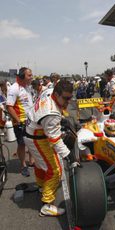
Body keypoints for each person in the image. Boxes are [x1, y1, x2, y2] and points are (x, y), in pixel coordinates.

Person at [24, 80, 73, 216]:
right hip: (36, 138)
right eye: (66, 98)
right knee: (55, 169)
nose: (68, 101)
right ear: (56, 94)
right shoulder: (51, 114)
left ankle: (41, 186)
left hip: (33, 130)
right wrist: (69, 155)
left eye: (70, 97)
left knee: (41, 164)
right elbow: (55, 139)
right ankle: (47, 204)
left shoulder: (49, 91)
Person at [6, 67, 34, 177]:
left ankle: (31, 161)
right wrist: (18, 121)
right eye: (29, 75)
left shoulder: (27, 87)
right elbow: (9, 107)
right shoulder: (14, 88)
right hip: (20, 122)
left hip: (30, 121)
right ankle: (23, 165)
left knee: (31, 142)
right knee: (22, 144)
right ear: (22, 77)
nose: (32, 77)